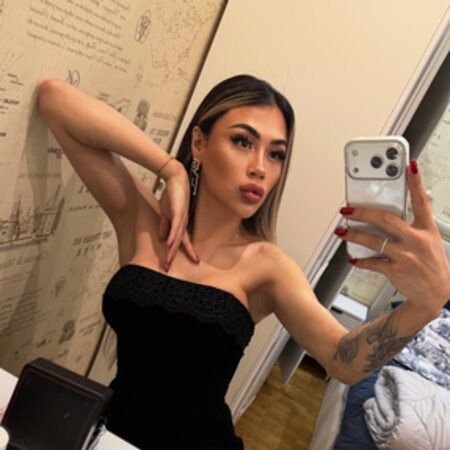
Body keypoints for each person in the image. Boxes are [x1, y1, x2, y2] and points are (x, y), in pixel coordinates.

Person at [37, 75, 450, 449]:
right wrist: (170, 169)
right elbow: (56, 100)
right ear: (199, 143)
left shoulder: (268, 266)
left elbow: (342, 359)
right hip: (109, 436)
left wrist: (424, 306)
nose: (260, 168)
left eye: (276, 154)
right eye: (242, 141)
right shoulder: (142, 221)